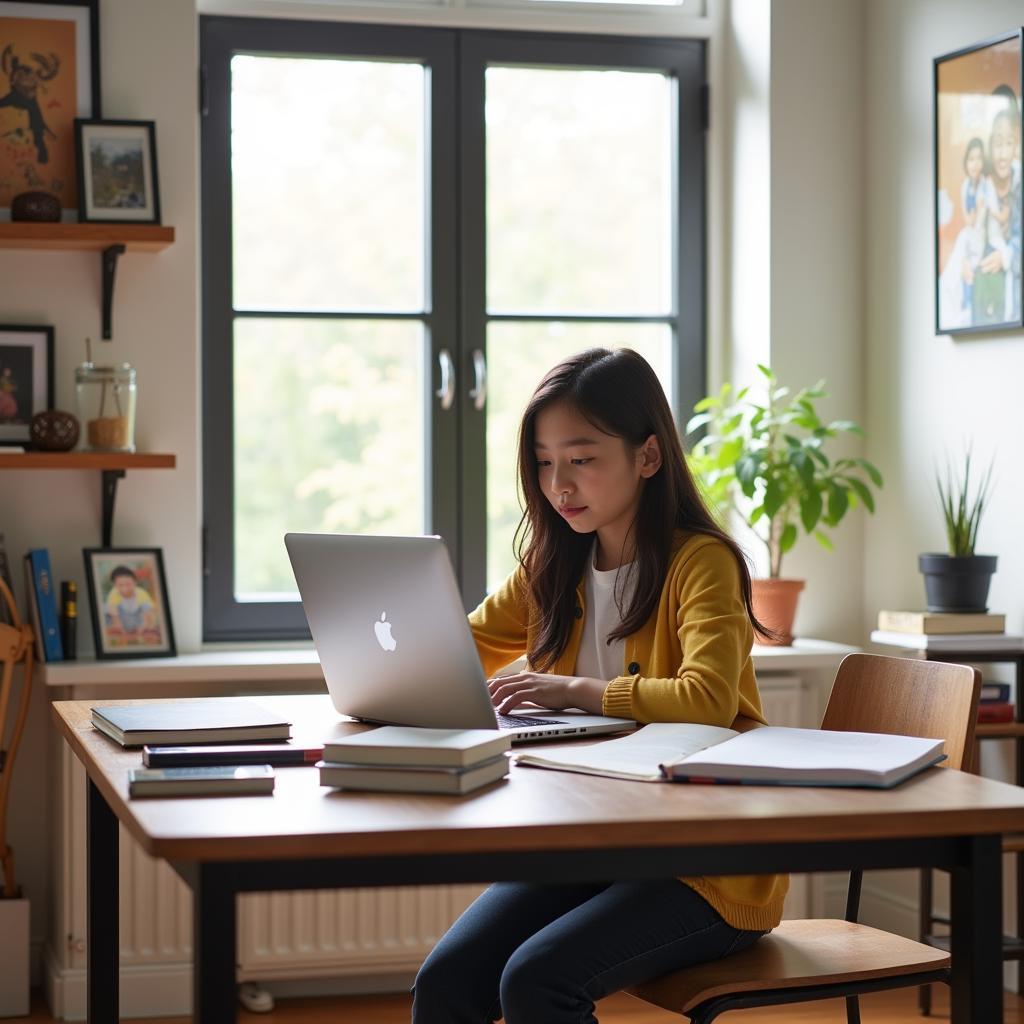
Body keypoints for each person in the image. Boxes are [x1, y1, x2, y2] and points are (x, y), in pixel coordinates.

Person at [412, 348, 787, 1024]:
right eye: (544, 460)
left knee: (536, 981)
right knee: (445, 981)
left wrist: (577, 691)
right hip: (592, 845)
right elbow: (459, 645)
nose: (560, 483)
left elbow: (708, 698)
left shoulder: (700, 562)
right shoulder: (554, 563)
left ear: (647, 457)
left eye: (582, 459)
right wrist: (387, 665)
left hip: (709, 868)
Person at [104, 565, 157, 637]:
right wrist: (122, 634)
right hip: (121, 626)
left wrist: (146, 626)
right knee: (105, 609)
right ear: (115, 585)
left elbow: (149, 615)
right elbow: (116, 620)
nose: (124, 588)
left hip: (138, 626)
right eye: (120, 585)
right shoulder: (113, 594)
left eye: (128, 584)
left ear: (135, 582)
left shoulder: (141, 593)